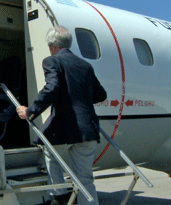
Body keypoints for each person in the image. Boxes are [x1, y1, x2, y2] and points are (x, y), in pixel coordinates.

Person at [17, 25, 107, 205]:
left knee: (50, 153)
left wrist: (29, 111)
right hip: (88, 129)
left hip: (64, 128)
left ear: (52, 46)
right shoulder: (86, 65)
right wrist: (79, 98)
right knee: (85, 179)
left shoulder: (52, 61)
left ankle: (59, 194)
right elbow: (101, 94)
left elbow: (52, 88)